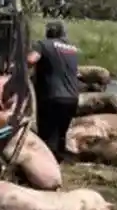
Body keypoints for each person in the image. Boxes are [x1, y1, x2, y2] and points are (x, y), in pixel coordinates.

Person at [28, 21, 80, 161]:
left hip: (51, 96)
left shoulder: (43, 44)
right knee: (61, 134)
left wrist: (18, 65)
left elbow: (32, 60)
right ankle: (59, 162)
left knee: (47, 136)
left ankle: (44, 166)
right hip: (72, 97)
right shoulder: (73, 49)